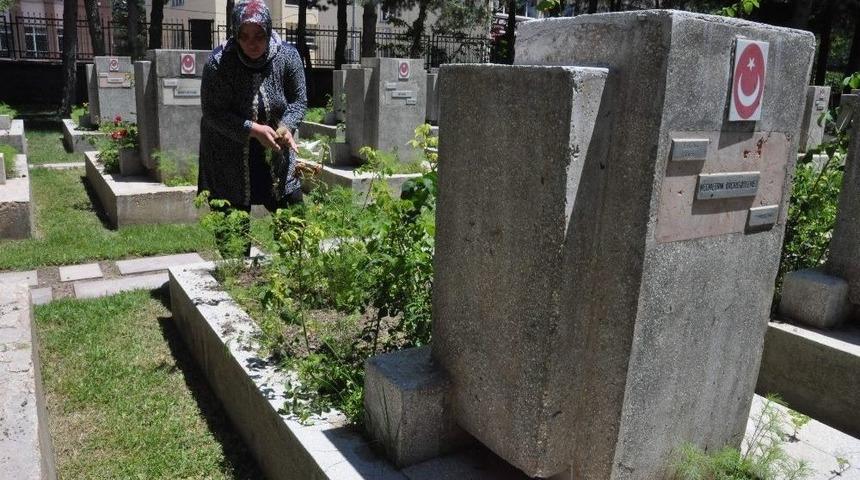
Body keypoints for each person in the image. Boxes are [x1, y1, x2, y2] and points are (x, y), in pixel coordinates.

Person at [198, 0, 306, 229]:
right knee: (232, 232)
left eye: (258, 35)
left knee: (293, 221)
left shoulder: (287, 56)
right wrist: (253, 130)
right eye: (244, 36)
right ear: (235, 35)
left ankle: (293, 261)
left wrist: (286, 127)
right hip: (227, 155)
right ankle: (235, 264)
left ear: (268, 31)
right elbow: (212, 112)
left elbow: (298, 100)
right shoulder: (219, 64)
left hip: (275, 151)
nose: (252, 43)